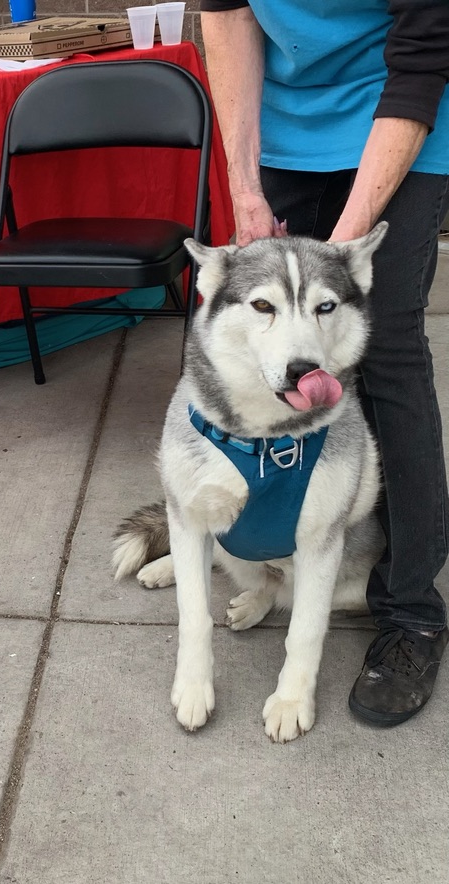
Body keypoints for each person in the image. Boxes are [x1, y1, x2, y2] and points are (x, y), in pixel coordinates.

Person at [199, 1, 449, 726]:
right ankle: (286, 540)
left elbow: (421, 63)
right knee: (273, 358)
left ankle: (412, 611)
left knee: (386, 346)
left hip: (400, 111)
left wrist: (336, 263)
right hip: (285, 119)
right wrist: (244, 188)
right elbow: (228, 15)